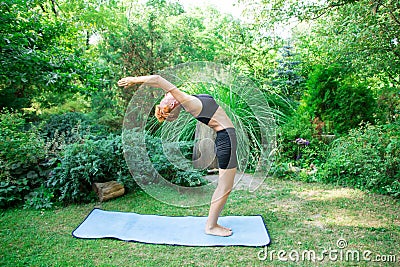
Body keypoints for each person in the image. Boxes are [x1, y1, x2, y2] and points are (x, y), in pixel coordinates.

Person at [118, 75, 237, 237]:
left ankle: (212, 224)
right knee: (224, 187)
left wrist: (134, 80)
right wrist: (134, 80)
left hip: (226, 137)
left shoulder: (182, 99)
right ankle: (211, 226)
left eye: (170, 116)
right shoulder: (187, 103)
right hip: (226, 139)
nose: (172, 118)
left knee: (224, 187)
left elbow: (161, 83)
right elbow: (160, 81)